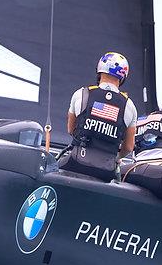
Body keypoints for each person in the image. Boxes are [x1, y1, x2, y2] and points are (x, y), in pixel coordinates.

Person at [58, 52, 137, 181]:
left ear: (99, 71)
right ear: (123, 77)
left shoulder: (81, 94)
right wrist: (116, 158)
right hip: (106, 170)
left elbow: (70, 129)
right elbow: (128, 147)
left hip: (76, 162)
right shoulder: (130, 106)